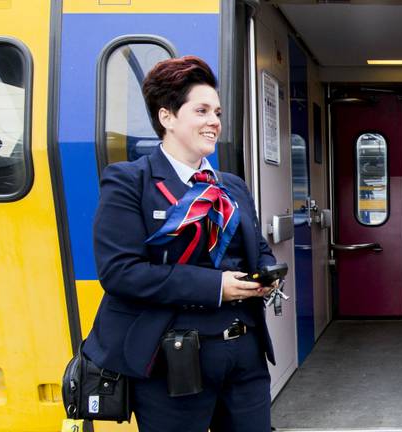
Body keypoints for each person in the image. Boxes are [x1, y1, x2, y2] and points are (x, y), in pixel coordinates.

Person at [82, 55, 277, 432]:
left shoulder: (232, 185)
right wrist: (216, 287)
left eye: (217, 112)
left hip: (244, 354)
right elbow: (121, 273)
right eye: (201, 110)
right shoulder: (128, 182)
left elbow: (258, 249)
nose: (214, 122)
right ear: (166, 117)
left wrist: (267, 273)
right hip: (172, 358)